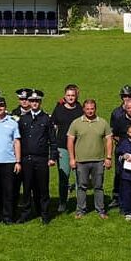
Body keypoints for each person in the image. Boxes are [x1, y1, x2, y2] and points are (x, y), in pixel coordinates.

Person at [67, 99, 112, 219]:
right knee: (82, 186)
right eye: (87, 109)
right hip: (81, 161)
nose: (90, 111)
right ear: (83, 109)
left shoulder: (102, 122)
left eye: (92, 109)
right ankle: (81, 210)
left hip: (98, 160)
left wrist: (108, 157)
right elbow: (70, 141)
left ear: (95, 109)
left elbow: (109, 140)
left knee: (98, 186)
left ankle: (100, 210)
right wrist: (72, 158)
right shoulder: (76, 123)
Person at [18, 90, 57, 224]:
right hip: (26, 158)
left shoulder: (46, 118)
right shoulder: (23, 119)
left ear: (40, 102)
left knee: (42, 188)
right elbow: (18, 140)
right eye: (32, 101)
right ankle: (26, 213)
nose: (34, 103)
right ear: (28, 102)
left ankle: (44, 214)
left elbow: (53, 140)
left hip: (41, 159)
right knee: (27, 187)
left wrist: (52, 157)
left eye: (37, 101)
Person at [51, 84, 84, 213]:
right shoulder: (58, 109)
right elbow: (53, 127)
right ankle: (63, 202)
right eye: (68, 95)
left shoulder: (80, 109)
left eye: (73, 95)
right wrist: (54, 148)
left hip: (78, 147)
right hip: (62, 147)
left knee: (79, 177)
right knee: (64, 176)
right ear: (65, 96)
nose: (70, 98)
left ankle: (79, 204)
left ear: (76, 96)